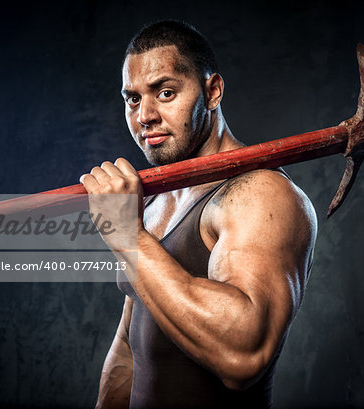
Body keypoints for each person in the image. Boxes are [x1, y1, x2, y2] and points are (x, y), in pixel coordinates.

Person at [80, 20, 317, 409]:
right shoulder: (154, 202)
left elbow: (243, 355)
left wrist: (129, 237)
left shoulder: (259, 194)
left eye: (166, 92)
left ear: (212, 91)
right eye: (133, 99)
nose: (145, 116)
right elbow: (130, 347)